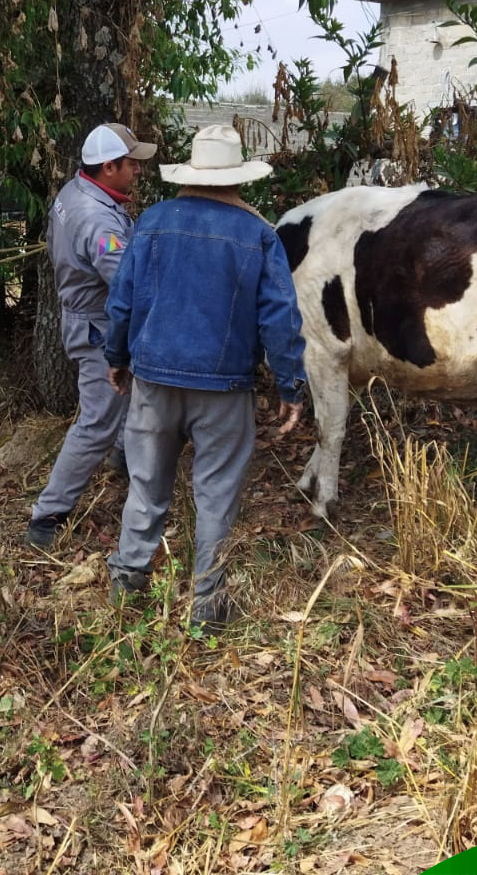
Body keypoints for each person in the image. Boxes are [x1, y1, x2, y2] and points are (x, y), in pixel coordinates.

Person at [102, 124, 306, 634]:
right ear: (239, 177)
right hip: (225, 389)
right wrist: (289, 385)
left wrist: (116, 355)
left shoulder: (151, 222)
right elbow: (279, 318)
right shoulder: (259, 235)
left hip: (153, 381)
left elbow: (123, 301)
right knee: (216, 494)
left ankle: (128, 583)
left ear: (190, 172)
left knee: (146, 485)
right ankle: (206, 607)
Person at [24, 122, 158, 547]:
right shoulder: (99, 223)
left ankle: (120, 456)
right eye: (131, 164)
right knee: (96, 421)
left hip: (84, 314)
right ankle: (47, 516)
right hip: (98, 327)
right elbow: (126, 286)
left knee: (122, 400)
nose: (138, 171)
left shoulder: (75, 192)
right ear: (108, 167)